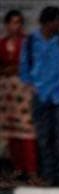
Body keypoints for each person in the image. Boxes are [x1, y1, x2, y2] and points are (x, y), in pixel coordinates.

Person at [19, 6, 59, 187]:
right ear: (48, 22)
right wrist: (31, 85)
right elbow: (24, 66)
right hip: (40, 94)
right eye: (57, 20)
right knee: (44, 137)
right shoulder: (31, 41)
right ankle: (49, 175)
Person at [0, 10, 40, 184]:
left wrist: (16, 69)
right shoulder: (1, 43)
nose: (14, 26)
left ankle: (31, 171)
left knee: (26, 131)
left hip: (23, 89)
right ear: (6, 25)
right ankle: (18, 168)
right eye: (12, 22)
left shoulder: (28, 43)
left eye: (18, 22)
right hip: (5, 90)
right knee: (10, 133)